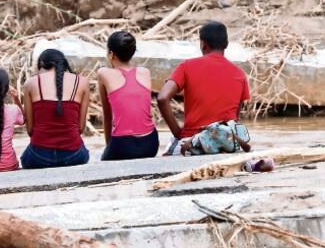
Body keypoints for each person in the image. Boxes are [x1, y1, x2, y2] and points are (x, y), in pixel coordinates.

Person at [157, 21, 251, 155]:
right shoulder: (240, 74)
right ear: (226, 44)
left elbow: (162, 98)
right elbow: (234, 119)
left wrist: (178, 133)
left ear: (203, 44)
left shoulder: (186, 66)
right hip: (226, 143)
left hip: (193, 141)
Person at [21, 47, 90, 168]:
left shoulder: (30, 83)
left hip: (38, 157)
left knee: (25, 157)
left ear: (41, 65)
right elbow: (80, 128)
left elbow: (30, 130)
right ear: (64, 64)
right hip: (74, 155)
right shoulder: (82, 82)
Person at [96, 31, 159, 160]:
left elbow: (107, 115)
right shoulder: (145, 72)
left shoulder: (103, 73)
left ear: (111, 54)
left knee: (104, 159)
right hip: (151, 144)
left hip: (122, 146)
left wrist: (109, 146)